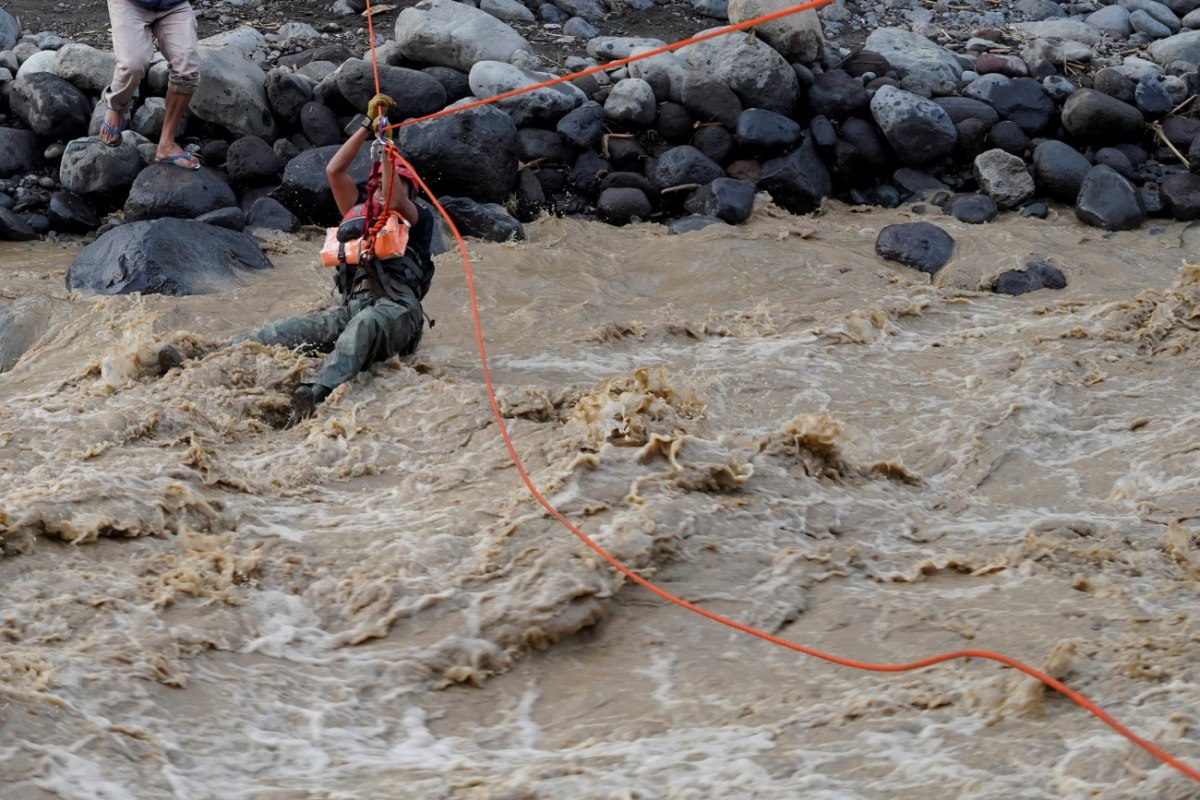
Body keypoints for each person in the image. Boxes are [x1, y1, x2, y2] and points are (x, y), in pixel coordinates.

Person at [210, 95, 437, 425]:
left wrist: (386, 145)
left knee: (364, 327)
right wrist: (366, 126)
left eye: (392, 182)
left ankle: (312, 394)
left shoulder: (418, 218)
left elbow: (394, 196)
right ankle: (209, 356)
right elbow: (334, 170)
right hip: (354, 306)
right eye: (378, 184)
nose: (378, 192)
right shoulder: (359, 210)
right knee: (285, 331)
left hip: (398, 311)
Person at [99, 0, 201, 170]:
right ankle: (116, 106)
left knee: (187, 69)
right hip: (130, 3)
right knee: (133, 64)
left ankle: (167, 143)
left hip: (174, 3)